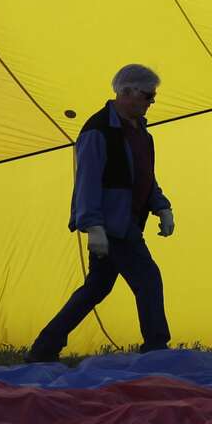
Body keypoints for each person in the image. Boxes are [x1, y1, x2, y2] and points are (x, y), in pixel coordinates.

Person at [26, 64, 175, 362]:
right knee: (148, 278)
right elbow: (87, 182)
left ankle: (44, 349)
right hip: (113, 225)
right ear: (126, 92)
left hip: (128, 220)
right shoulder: (98, 131)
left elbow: (144, 176)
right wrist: (93, 227)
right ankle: (157, 349)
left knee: (97, 287)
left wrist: (161, 206)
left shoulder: (141, 132)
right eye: (148, 96)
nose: (151, 102)